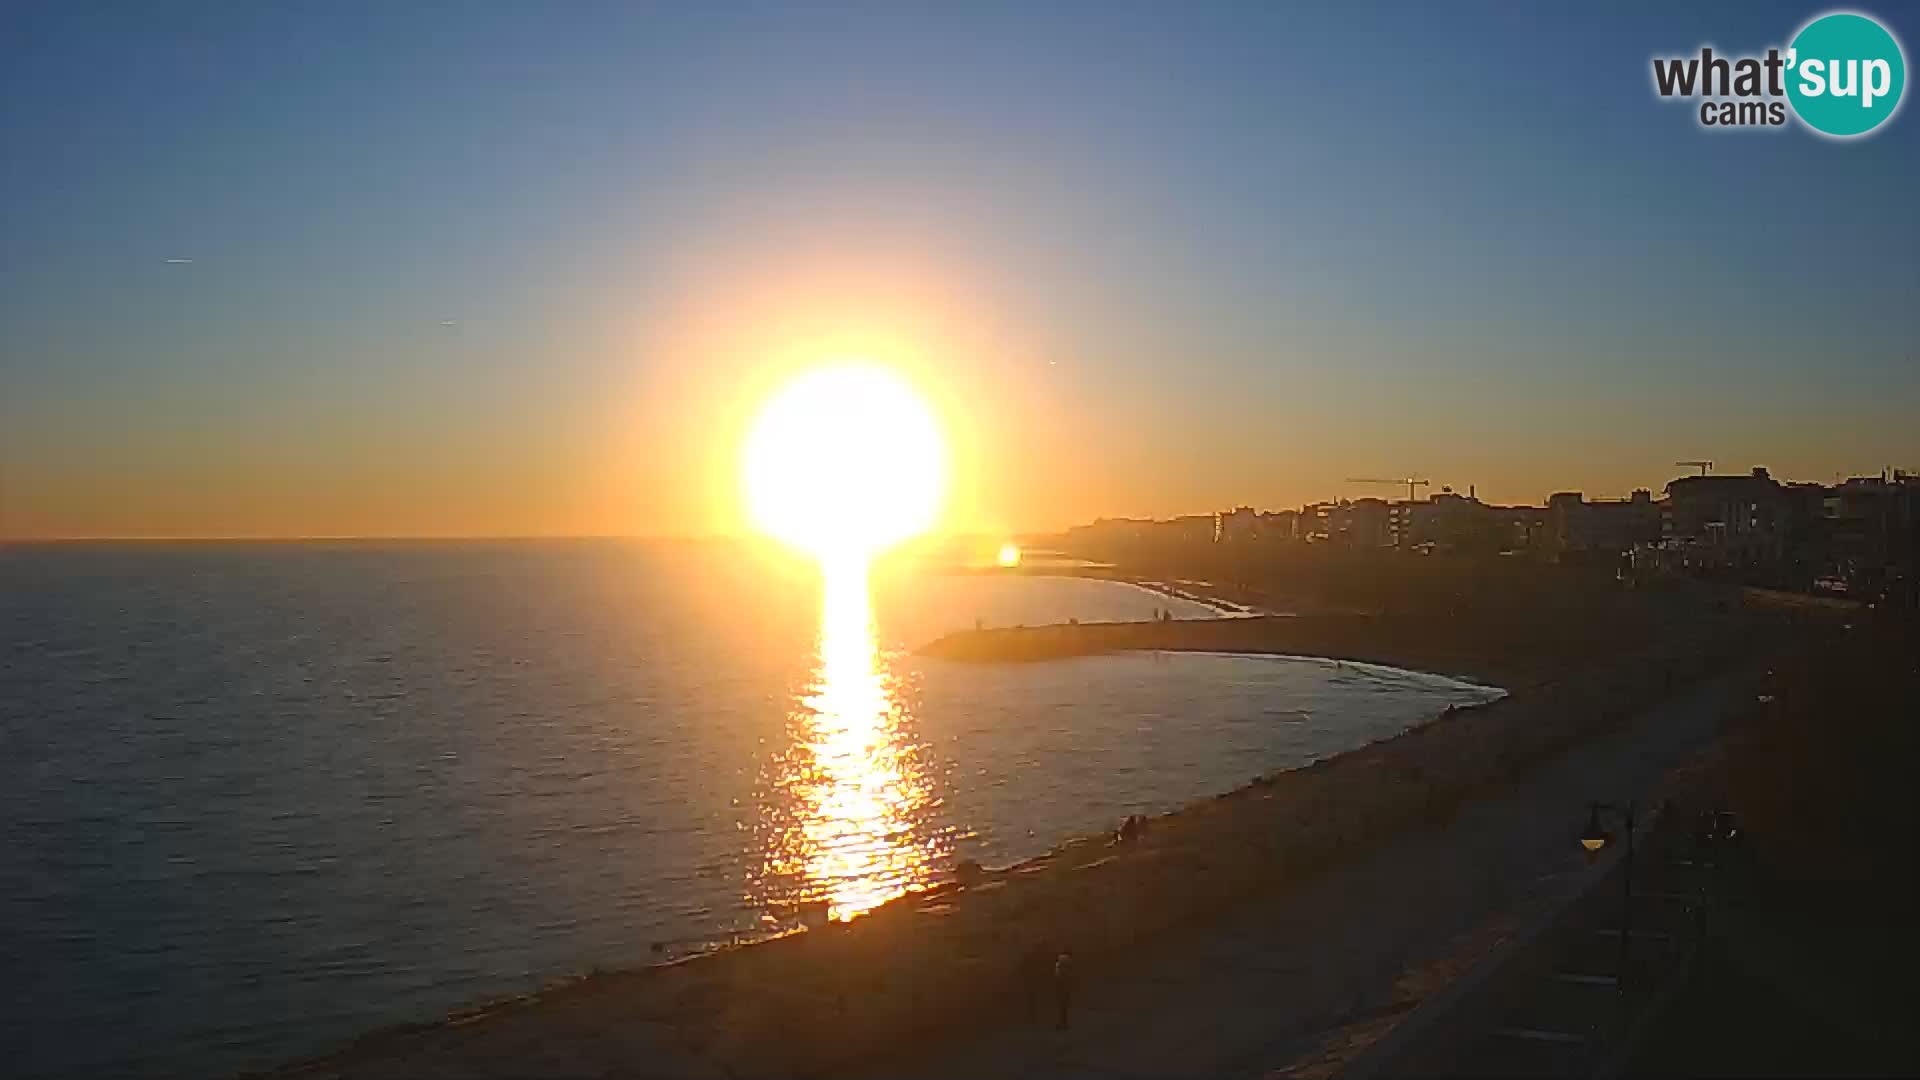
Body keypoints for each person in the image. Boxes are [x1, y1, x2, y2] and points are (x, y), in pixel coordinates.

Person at [1053, 949, 1076, 1030]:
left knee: (1061, 1005)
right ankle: (1063, 1023)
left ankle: (1062, 1023)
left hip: (1060, 984)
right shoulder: (1069, 960)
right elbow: (1071, 973)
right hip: (1066, 984)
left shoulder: (1059, 960)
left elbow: (1057, 972)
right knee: (1064, 1005)